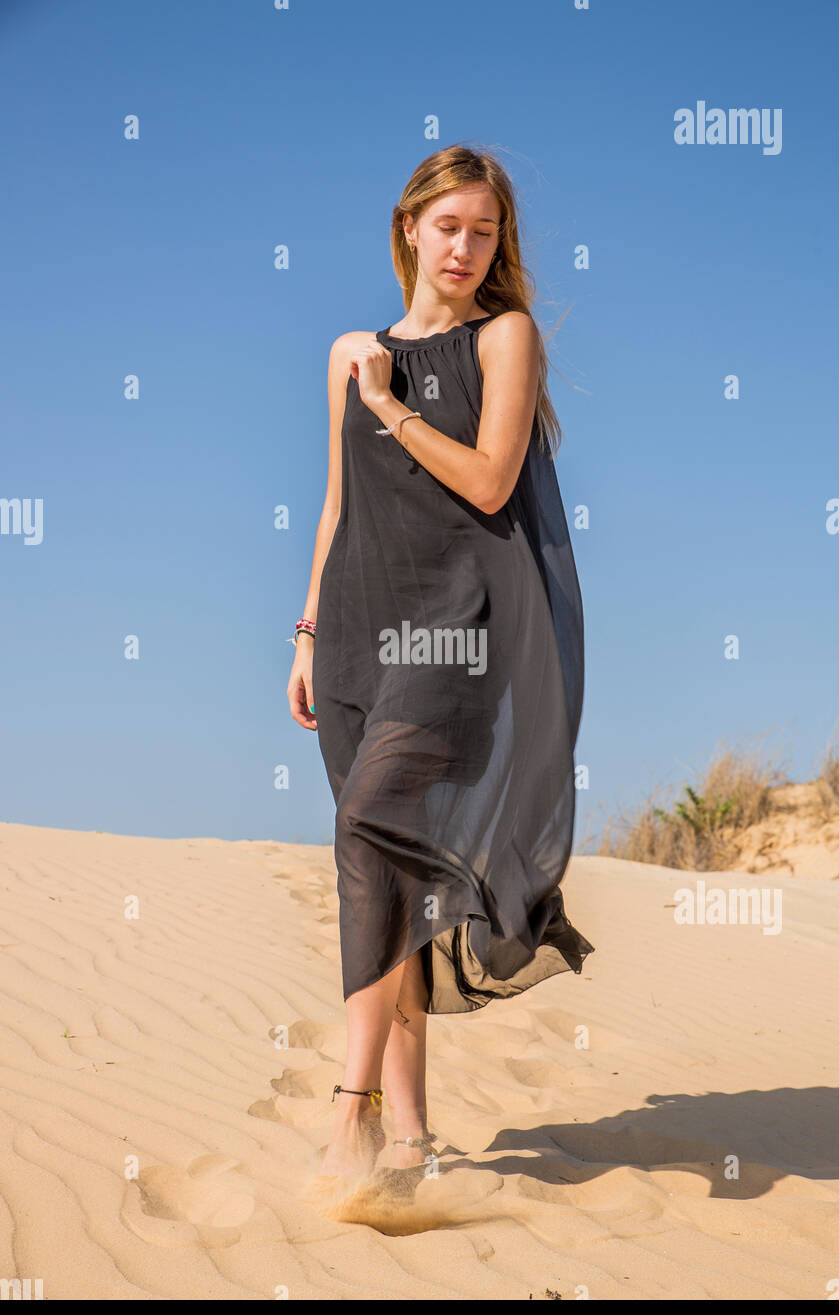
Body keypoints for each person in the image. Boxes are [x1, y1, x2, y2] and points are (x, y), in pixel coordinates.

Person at [287, 144, 594, 1190]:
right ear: (408, 226)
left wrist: (390, 406)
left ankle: (351, 1108)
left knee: (367, 825)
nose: (465, 247)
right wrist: (304, 632)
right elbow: (336, 507)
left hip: (458, 632)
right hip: (354, 639)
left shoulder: (502, 338)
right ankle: (412, 1139)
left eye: (485, 231)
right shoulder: (346, 352)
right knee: (390, 877)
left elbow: (488, 477)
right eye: (449, 225)